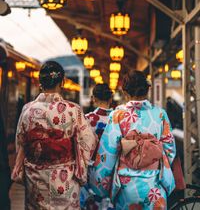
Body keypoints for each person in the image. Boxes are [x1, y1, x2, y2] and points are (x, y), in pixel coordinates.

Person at [12, 61, 97, 210]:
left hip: (35, 179)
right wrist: (80, 168)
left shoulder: (27, 110)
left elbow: (20, 143)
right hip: (65, 180)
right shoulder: (72, 110)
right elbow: (88, 140)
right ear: (62, 82)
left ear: (40, 83)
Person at [91, 70, 176, 210]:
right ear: (148, 90)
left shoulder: (118, 115)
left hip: (126, 188)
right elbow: (170, 150)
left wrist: (99, 184)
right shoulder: (160, 115)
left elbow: (107, 152)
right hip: (154, 186)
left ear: (125, 92)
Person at [80, 83, 114, 209]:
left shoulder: (87, 119)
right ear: (111, 99)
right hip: (113, 167)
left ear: (93, 99)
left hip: (92, 168)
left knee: (92, 203)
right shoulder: (118, 119)